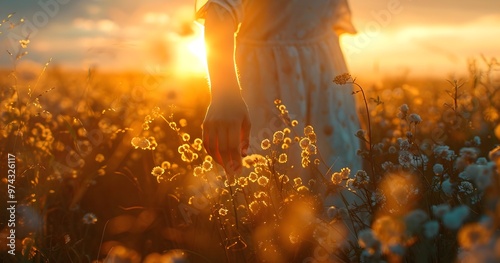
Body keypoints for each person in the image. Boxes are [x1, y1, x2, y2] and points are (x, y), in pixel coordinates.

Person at [196, 0, 362, 181]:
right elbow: (220, 10)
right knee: (272, 185)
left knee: (338, 182)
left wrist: (348, 116)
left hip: (328, 85)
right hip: (266, 86)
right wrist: (224, 95)